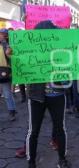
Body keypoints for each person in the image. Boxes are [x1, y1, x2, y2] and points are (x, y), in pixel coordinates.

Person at [25, 20, 71, 168]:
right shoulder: (31, 50)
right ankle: (31, 161)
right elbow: (20, 63)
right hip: (36, 96)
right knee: (34, 130)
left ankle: (62, 159)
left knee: (60, 128)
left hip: (56, 95)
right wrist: (12, 55)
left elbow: (75, 59)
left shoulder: (61, 52)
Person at [0, 28, 17, 121]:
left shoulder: (8, 46)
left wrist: (8, 53)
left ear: (6, 36)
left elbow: (12, 59)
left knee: (7, 94)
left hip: (5, 72)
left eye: (2, 34)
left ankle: (12, 111)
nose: (0, 35)